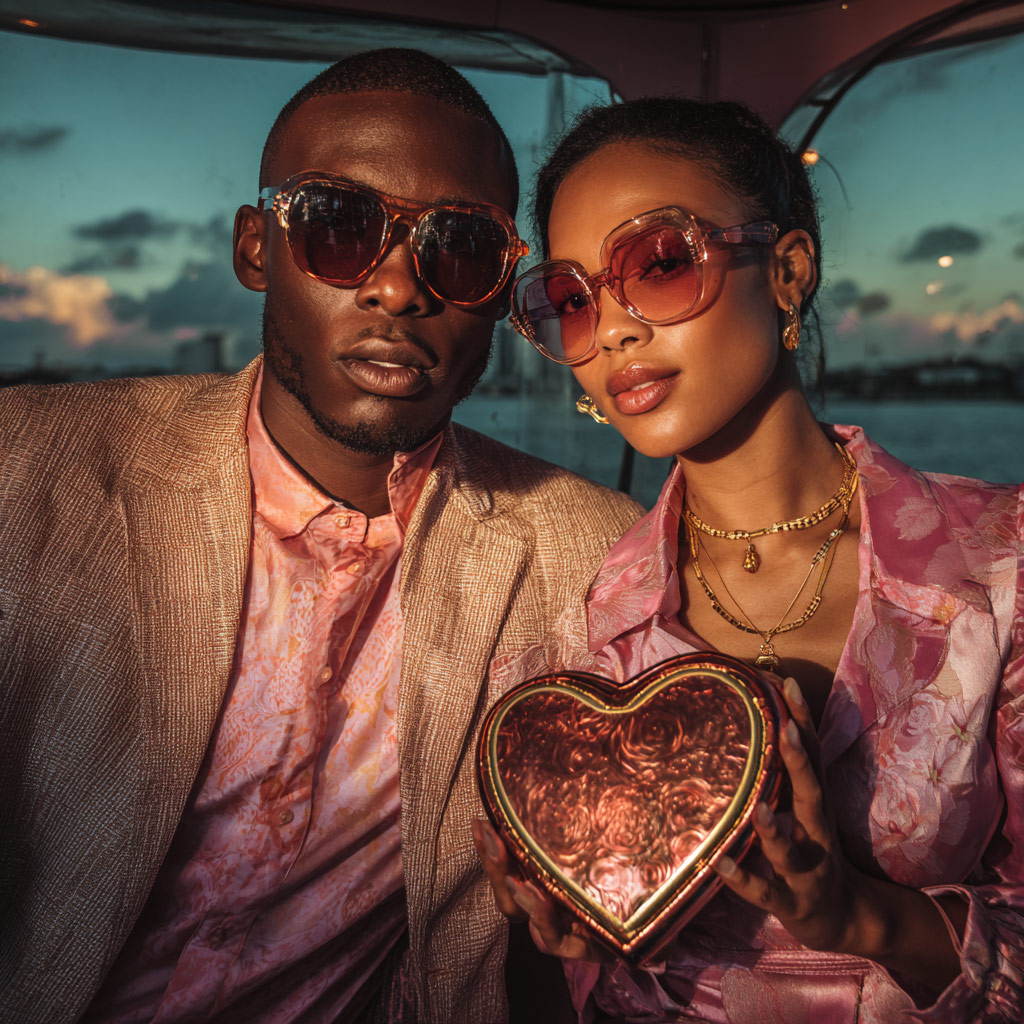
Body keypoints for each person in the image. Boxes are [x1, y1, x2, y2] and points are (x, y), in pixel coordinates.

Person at [0, 49, 642, 1024]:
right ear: (255, 247)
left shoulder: (592, 555)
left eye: (462, 247)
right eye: (339, 228)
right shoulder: (27, 472)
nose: (399, 288)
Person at [473, 97, 1024, 1022]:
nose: (612, 331)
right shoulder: (577, 632)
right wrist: (582, 929)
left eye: (659, 264)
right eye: (572, 300)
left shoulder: (1000, 568)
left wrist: (868, 919)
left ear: (787, 270)